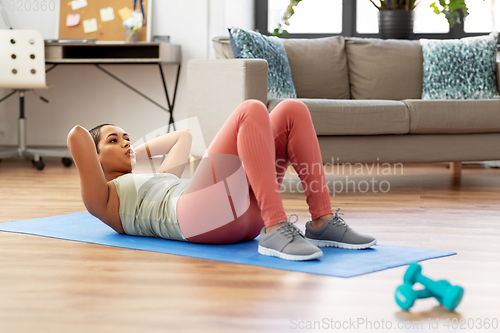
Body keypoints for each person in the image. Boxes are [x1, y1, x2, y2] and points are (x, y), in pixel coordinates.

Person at [67, 99, 376, 262]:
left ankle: (321, 221)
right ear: (94, 158)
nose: (125, 142)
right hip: (196, 220)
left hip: (239, 216)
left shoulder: (161, 178)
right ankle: (275, 227)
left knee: (291, 110)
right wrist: (103, 155)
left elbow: (182, 137)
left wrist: (134, 151)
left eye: (127, 137)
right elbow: (77, 136)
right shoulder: (106, 200)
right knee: (250, 110)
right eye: (113, 140)